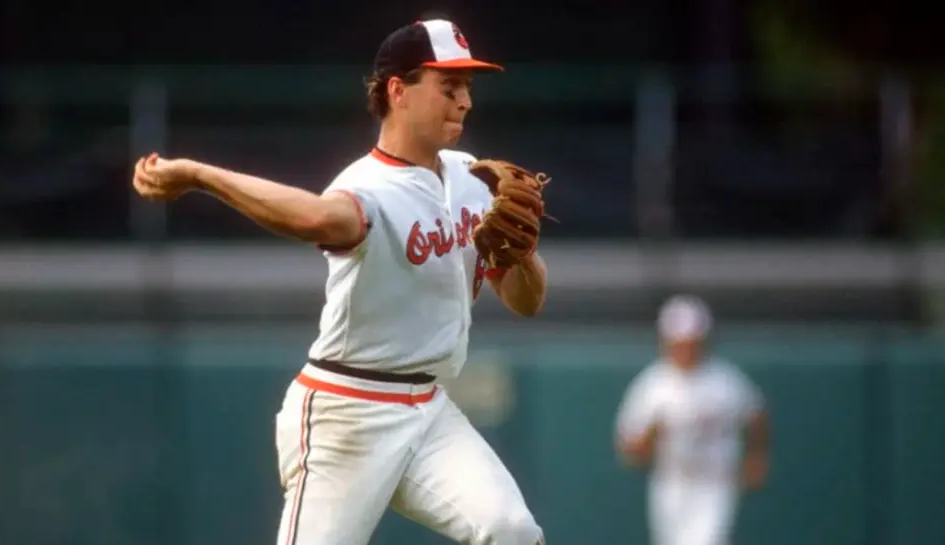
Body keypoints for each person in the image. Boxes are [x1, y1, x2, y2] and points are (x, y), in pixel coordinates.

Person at [131, 17, 548, 545]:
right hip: (347, 410)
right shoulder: (367, 187)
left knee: (510, 530)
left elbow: (525, 302)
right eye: (449, 87)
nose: (465, 101)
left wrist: (524, 254)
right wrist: (198, 175)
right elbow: (313, 219)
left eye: (467, 88)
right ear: (398, 90)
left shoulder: (474, 179)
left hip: (430, 408)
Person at [614, 295, 770, 545]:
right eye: (679, 342)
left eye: (691, 341)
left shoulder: (725, 380)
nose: (686, 349)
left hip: (715, 482)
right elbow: (630, 452)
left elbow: (756, 415)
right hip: (673, 483)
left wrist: (756, 457)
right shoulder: (653, 385)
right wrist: (651, 436)